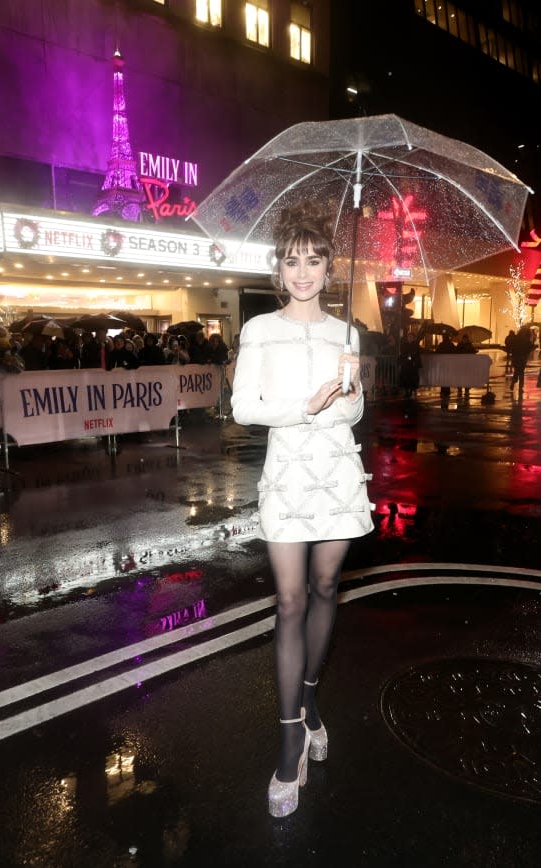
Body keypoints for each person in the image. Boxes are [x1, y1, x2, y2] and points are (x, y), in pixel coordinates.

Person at [231, 201, 373, 818]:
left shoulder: (349, 333)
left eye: (314, 260)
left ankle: (311, 701)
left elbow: (353, 415)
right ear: (278, 269)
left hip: (337, 472)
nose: (304, 272)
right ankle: (290, 736)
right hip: (288, 473)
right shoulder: (260, 330)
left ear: (327, 266)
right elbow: (243, 409)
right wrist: (306, 404)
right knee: (289, 599)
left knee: (325, 587)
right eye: (293, 261)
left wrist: (351, 393)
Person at [510, 325, 534, 400]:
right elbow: (528, 348)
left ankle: (513, 383)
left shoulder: (516, 338)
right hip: (522, 357)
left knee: (517, 371)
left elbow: (512, 346)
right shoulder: (527, 340)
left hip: (516, 357)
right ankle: (520, 386)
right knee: (521, 372)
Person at [435, 332, 457, 408]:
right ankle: (447, 390)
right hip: (448, 364)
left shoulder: (441, 345)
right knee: (447, 376)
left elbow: (436, 352)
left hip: (442, 364)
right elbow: (455, 352)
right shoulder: (451, 345)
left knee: (443, 376)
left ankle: (443, 390)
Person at [398, 332, 421, 399]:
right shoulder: (405, 345)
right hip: (406, 364)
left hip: (413, 364)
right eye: (409, 337)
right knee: (405, 377)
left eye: (411, 337)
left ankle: (411, 390)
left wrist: (412, 358)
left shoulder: (415, 345)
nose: (410, 338)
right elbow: (402, 352)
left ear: (413, 338)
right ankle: (406, 391)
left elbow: (416, 353)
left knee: (412, 378)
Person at [455, 332, 477, 402]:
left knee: (466, 376)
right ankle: (460, 387)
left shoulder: (469, 345)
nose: (465, 340)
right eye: (464, 339)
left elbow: (473, 352)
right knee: (461, 376)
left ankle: (466, 388)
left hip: (467, 364)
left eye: (466, 339)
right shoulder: (460, 345)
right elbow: (456, 352)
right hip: (461, 364)